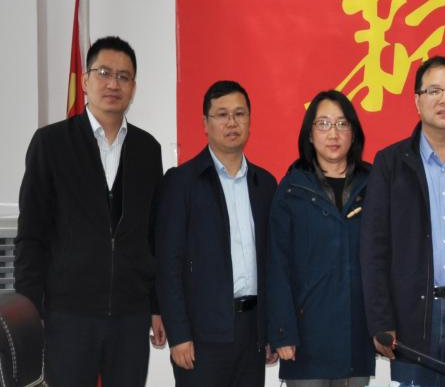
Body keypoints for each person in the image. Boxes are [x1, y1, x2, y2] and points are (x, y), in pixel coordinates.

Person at [16, 36, 165, 386]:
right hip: (68, 315)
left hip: (130, 316)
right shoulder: (51, 144)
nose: (113, 84)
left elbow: (154, 235)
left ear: (133, 88)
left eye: (123, 77)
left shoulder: (147, 149)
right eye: (104, 73)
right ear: (85, 81)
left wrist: (157, 305)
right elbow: (32, 234)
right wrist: (30, 308)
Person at [361, 56, 445, 386]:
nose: (444, 99)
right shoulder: (390, 164)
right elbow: (373, 249)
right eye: (434, 90)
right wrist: (381, 320)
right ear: (417, 100)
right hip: (410, 318)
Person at [156, 80, 279, 386]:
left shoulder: (265, 184)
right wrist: (179, 334)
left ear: (249, 120)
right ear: (205, 124)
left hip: (252, 331)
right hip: (201, 335)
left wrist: (272, 330)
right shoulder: (182, 182)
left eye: (239, 114)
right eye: (222, 114)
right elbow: (168, 264)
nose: (232, 122)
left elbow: (273, 263)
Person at [266, 90, 376, 386]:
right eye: (324, 124)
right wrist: (282, 331)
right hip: (306, 338)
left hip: (357, 335)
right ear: (310, 134)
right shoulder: (291, 189)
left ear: (353, 132)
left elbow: (384, 260)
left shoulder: (373, 186)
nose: (333, 134)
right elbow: (277, 266)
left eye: (342, 124)